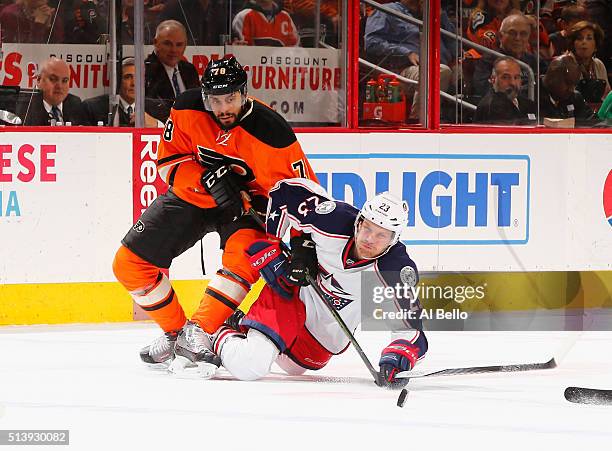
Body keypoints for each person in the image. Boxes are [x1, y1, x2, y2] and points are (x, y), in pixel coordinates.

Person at [112, 56, 318, 366]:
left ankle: (200, 331)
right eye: (215, 99)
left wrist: (303, 244)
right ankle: (176, 335)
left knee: (243, 259)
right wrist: (206, 181)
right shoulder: (186, 108)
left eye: (230, 98)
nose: (222, 107)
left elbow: (304, 194)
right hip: (194, 196)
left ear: (244, 93)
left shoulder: (273, 132)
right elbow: (168, 162)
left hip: (249, 208)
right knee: (128, 264)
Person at [187, 179, 428, 387]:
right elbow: (286, 193)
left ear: (394, 240)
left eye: (381, 235)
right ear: (359, 221)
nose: (368, 239)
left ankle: (242, 323)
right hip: (292, 293)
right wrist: (281, 243)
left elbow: (411, 330)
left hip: (325, 329)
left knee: (295, 368)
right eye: (367, 228)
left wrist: (396, 359)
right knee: (251, 365)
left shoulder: (395, 269)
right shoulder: (333, 220)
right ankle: (219, 332)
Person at [364, 0, 456, 120]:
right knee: (437, 72)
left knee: (460, 73)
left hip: (441, 64)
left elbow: (455, 46)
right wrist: (405, 52)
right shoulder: (387, 10)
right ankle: (419, 119)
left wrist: (440, 16)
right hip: (404, 69)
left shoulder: (429, 13)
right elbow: (371, 43)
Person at [472, 13, 544, 97]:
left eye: (523, 34)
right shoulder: (488, 61)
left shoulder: (533, 60)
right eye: (512, 33)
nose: (518, 38)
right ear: (500, 36)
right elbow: (483, 89)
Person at [145, 20, 200, 122]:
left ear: (185, 45)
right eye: (168, 44)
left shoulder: (190, 70)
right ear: (155, 43)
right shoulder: (146, 72)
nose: (174, 50)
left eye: (179, 44)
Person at [17, 57, 84, 126]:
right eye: (53, 79)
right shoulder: (23, 107)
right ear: (39, 80)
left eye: (65, 80)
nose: (59, 86)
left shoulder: (75, 104)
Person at [474, 56, 537, 124]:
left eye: (516, 77)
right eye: (505, 77)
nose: (512, 83)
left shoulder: (528, 104)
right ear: (493, 79)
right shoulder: (490, 107)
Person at [539, 54, 595, 125]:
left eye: (574, 84)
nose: (571, 89)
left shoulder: (575, 97)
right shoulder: (531, 95)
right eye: (568, 83)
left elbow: (594, 122)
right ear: (552, 76)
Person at [566, 20, 611, 103]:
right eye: (579, 38)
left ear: (596, 46)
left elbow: (607, 96)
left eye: (589, 38)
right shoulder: (564, 64)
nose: (584, 42)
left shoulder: (598, 64)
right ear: (573, 44)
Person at [82, 58, 136, 126]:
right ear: (117, 80)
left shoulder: (152, 110)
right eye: (128, 77)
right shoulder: (92, 108)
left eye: (139, 77)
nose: (134, 83)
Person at [232, 0, 299, 47]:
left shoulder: (285, 17)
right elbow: (243, 52)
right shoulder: (244, 16)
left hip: (280, 66)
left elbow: (294, 50)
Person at [0, 0, 64, 43]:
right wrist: (39, 24)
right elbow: (25, 50)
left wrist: (48, 27)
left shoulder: (51, 14)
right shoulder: (10, 14)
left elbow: (58, 48)